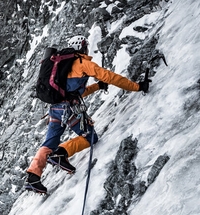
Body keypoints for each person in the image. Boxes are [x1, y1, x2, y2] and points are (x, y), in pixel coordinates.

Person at [25, 35, 151, 193]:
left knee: (50, 141)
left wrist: (97, 87)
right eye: (86, 46)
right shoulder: (82, 63)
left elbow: (75, 93)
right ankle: (60, 153)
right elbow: (110, 77)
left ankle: (33, 176)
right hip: (69, 109)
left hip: (55, 109)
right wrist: (137, 87)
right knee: (90, 137)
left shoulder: (63, 66)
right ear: (82, 46)